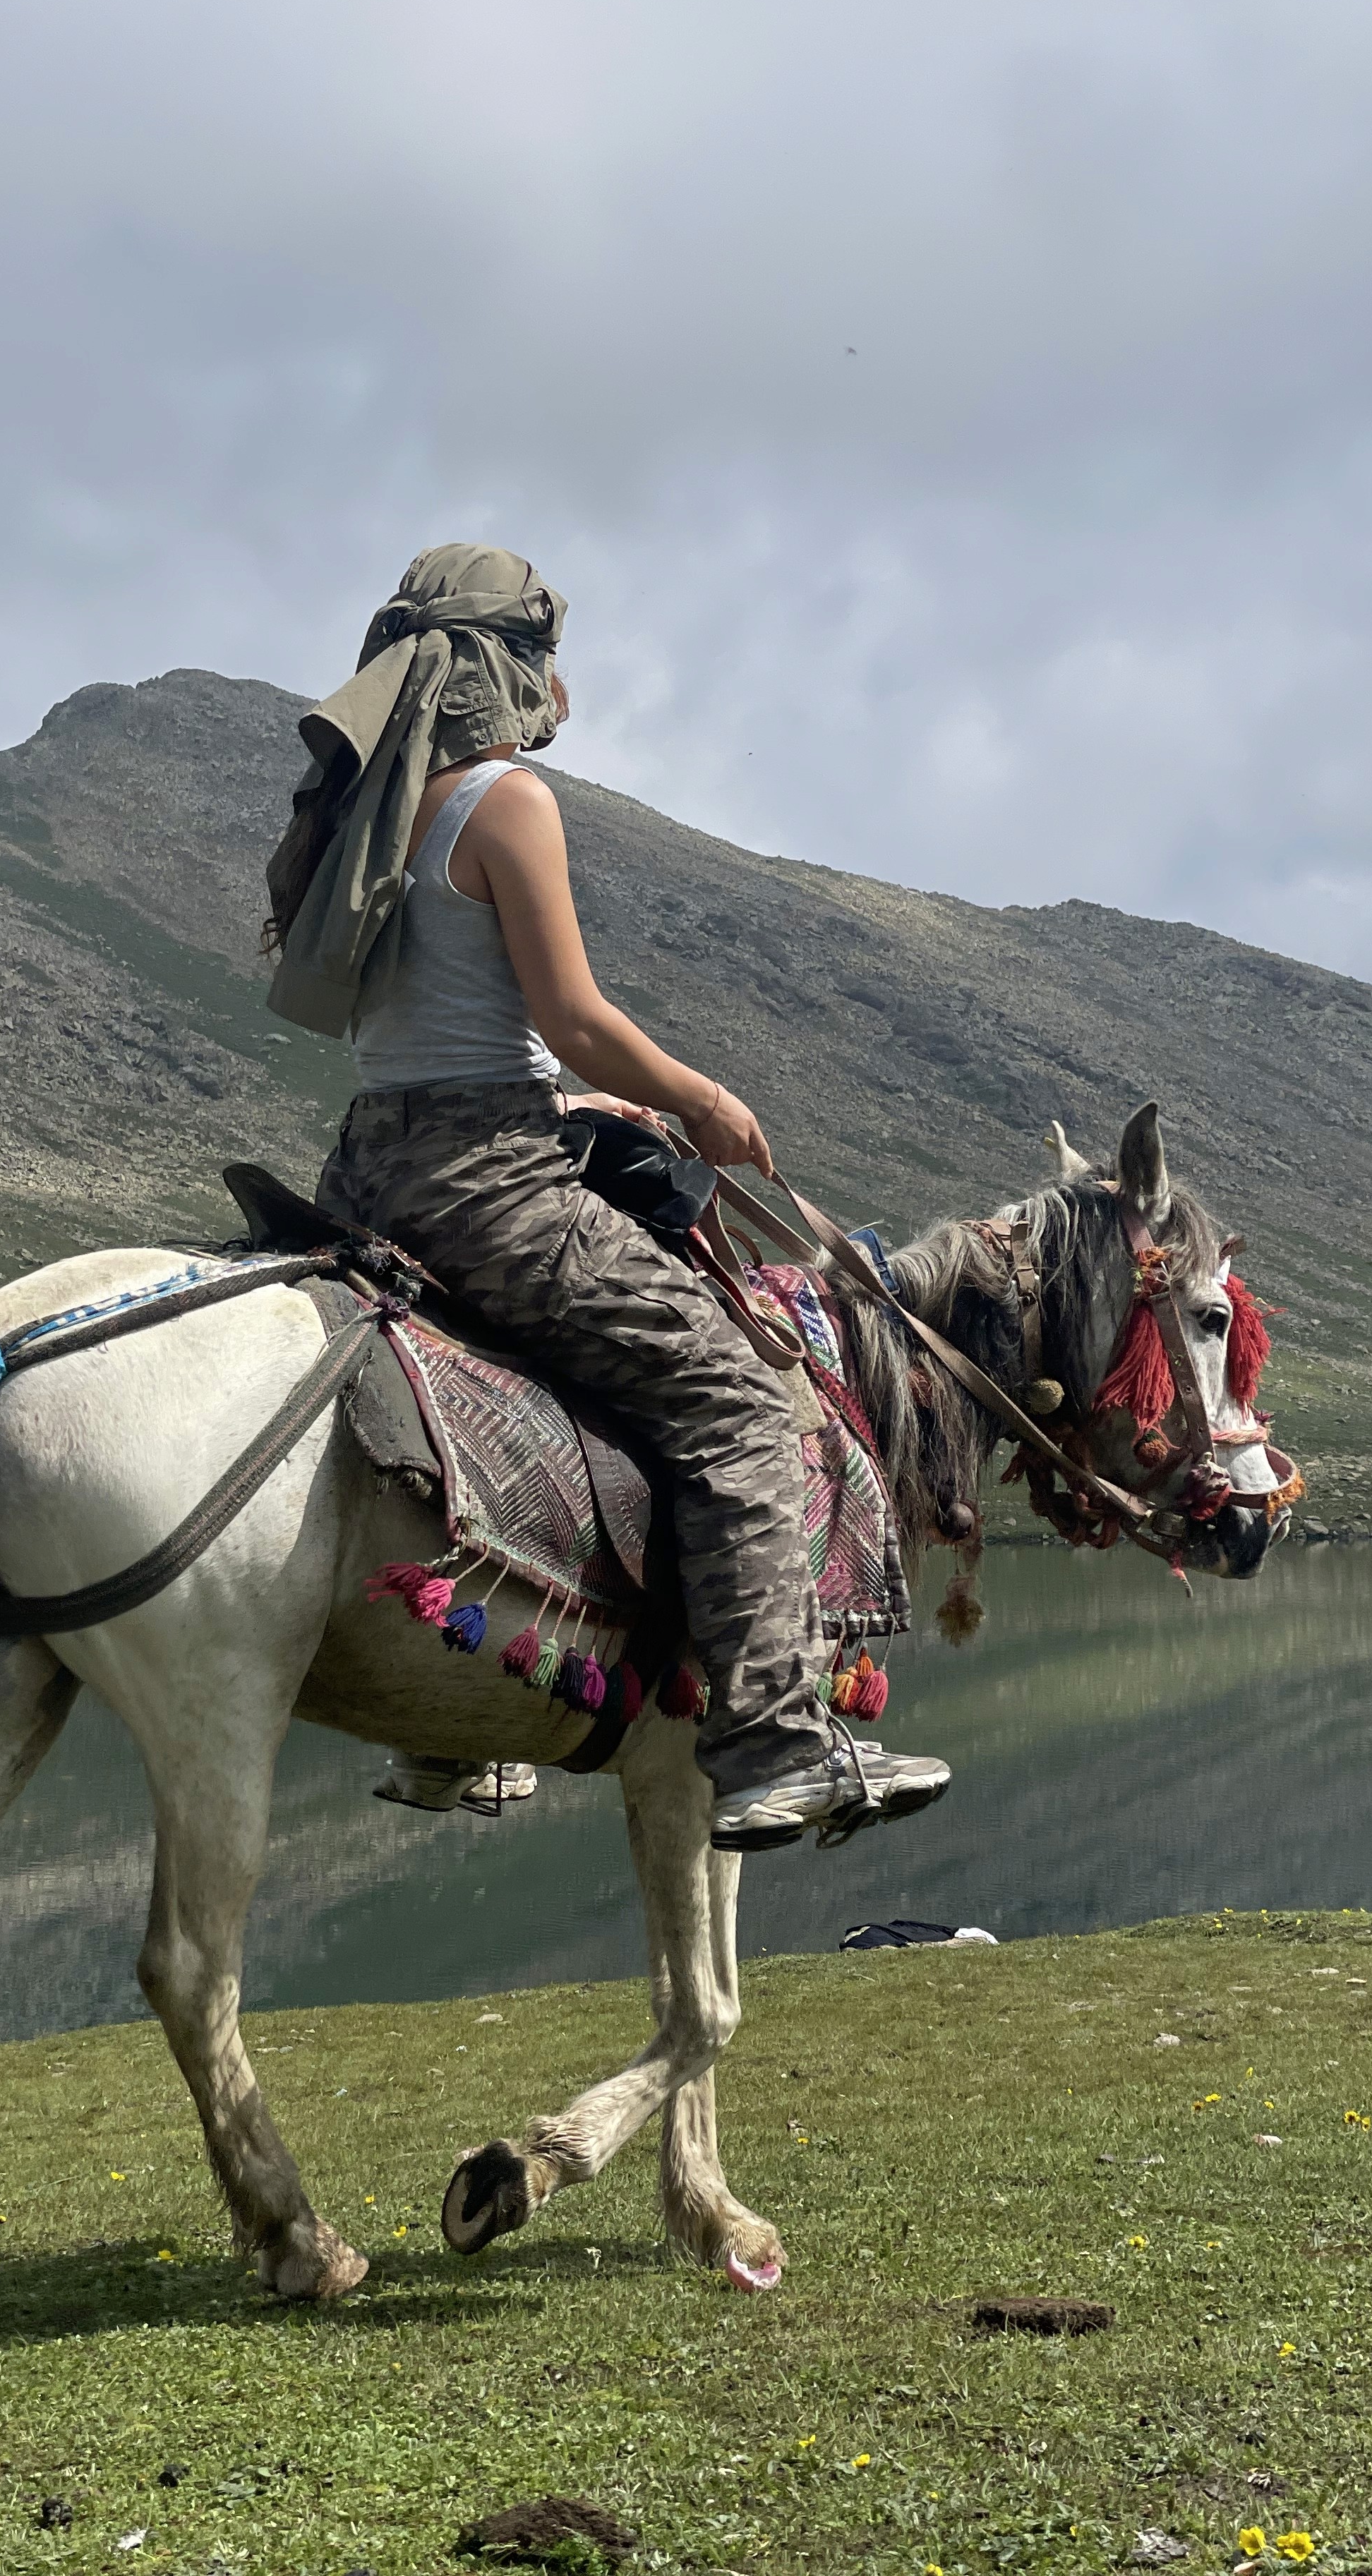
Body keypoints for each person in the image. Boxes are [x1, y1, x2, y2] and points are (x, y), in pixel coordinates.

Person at [265, 542, 949, 1852]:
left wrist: (581, 1104)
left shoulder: (368, 806)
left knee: (499, 1395)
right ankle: (770, 1745)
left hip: (369, 1170)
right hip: (490, 1184)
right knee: (741, 1405)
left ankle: (446, 1729)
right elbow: (573, 1016)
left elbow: (437, 1033)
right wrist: (697, 1098)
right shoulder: (506, 801)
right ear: (504, 668)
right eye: (543, 658)